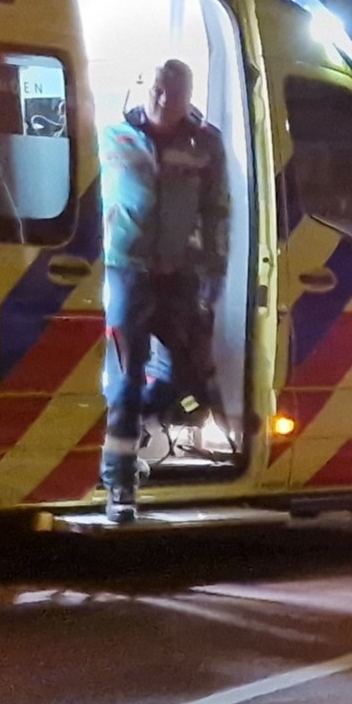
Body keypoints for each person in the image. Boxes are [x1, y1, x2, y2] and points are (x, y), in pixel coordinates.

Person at [98, 59, 231, 521]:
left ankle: (139, 422)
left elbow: (218, 211)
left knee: (188, 382)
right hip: (126, 272)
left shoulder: (205, 143)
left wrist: (213, 272)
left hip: (179, 277)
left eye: (170, 93)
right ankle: (120, 480)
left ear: (186, 97)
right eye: (155, 89)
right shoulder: (114, 135)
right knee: (126, 378)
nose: (160, 99)